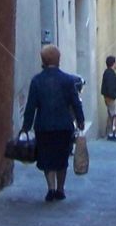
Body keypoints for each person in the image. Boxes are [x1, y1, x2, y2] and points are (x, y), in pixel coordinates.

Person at [21, 44, 85, 201]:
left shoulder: (37, 81)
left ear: (43, 60)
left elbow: (31, 106)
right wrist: (80, 120)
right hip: (64, 125)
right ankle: (60, 189)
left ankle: (50, 188)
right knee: (62, 157)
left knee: (47, 156)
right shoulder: (68, 80)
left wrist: (26, 127)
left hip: (44, 125)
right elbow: (75, 102)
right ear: (58, 59)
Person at [100, 54, 116, 140]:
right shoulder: (110, 73)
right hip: (112, 97)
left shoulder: (107, 72)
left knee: (111, 115)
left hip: (108, 97)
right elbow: (111, 86)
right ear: (113, 63)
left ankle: (109, 133)